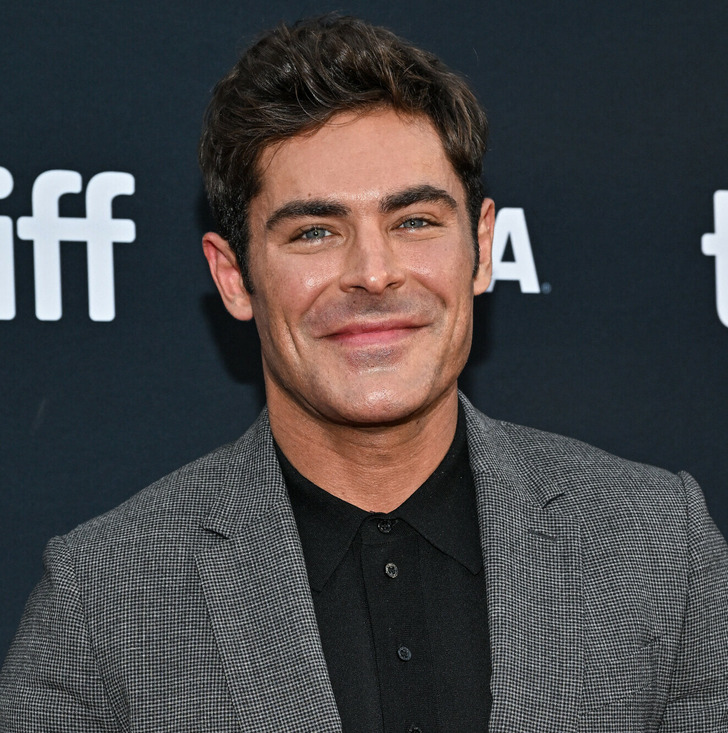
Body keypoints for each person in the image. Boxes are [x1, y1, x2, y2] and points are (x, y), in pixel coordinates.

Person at [1, 14, 727, 733]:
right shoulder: (102, 603)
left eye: (414, 221)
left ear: (481, 246)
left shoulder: (663, 549)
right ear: (234, 277)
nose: (374, 274)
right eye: (315, 232)